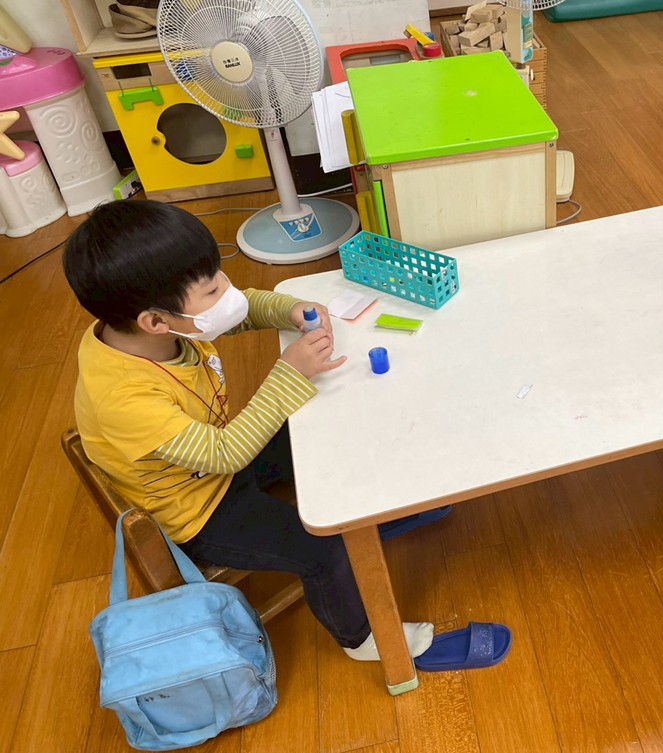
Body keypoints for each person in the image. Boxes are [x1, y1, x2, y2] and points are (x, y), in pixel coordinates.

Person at [64, 199, 435, 659]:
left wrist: (290, 310)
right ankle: (361, 637)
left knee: (318, 429)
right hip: (198, 509)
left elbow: (242, 311)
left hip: (215, 458)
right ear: (156, 322)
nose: (228, 291)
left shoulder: (150, 329)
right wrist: (289, 374)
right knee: (324, 550)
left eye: (220, 277)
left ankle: (379, 514)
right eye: (212, 290)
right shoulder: (123, 396)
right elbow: (226, 455)